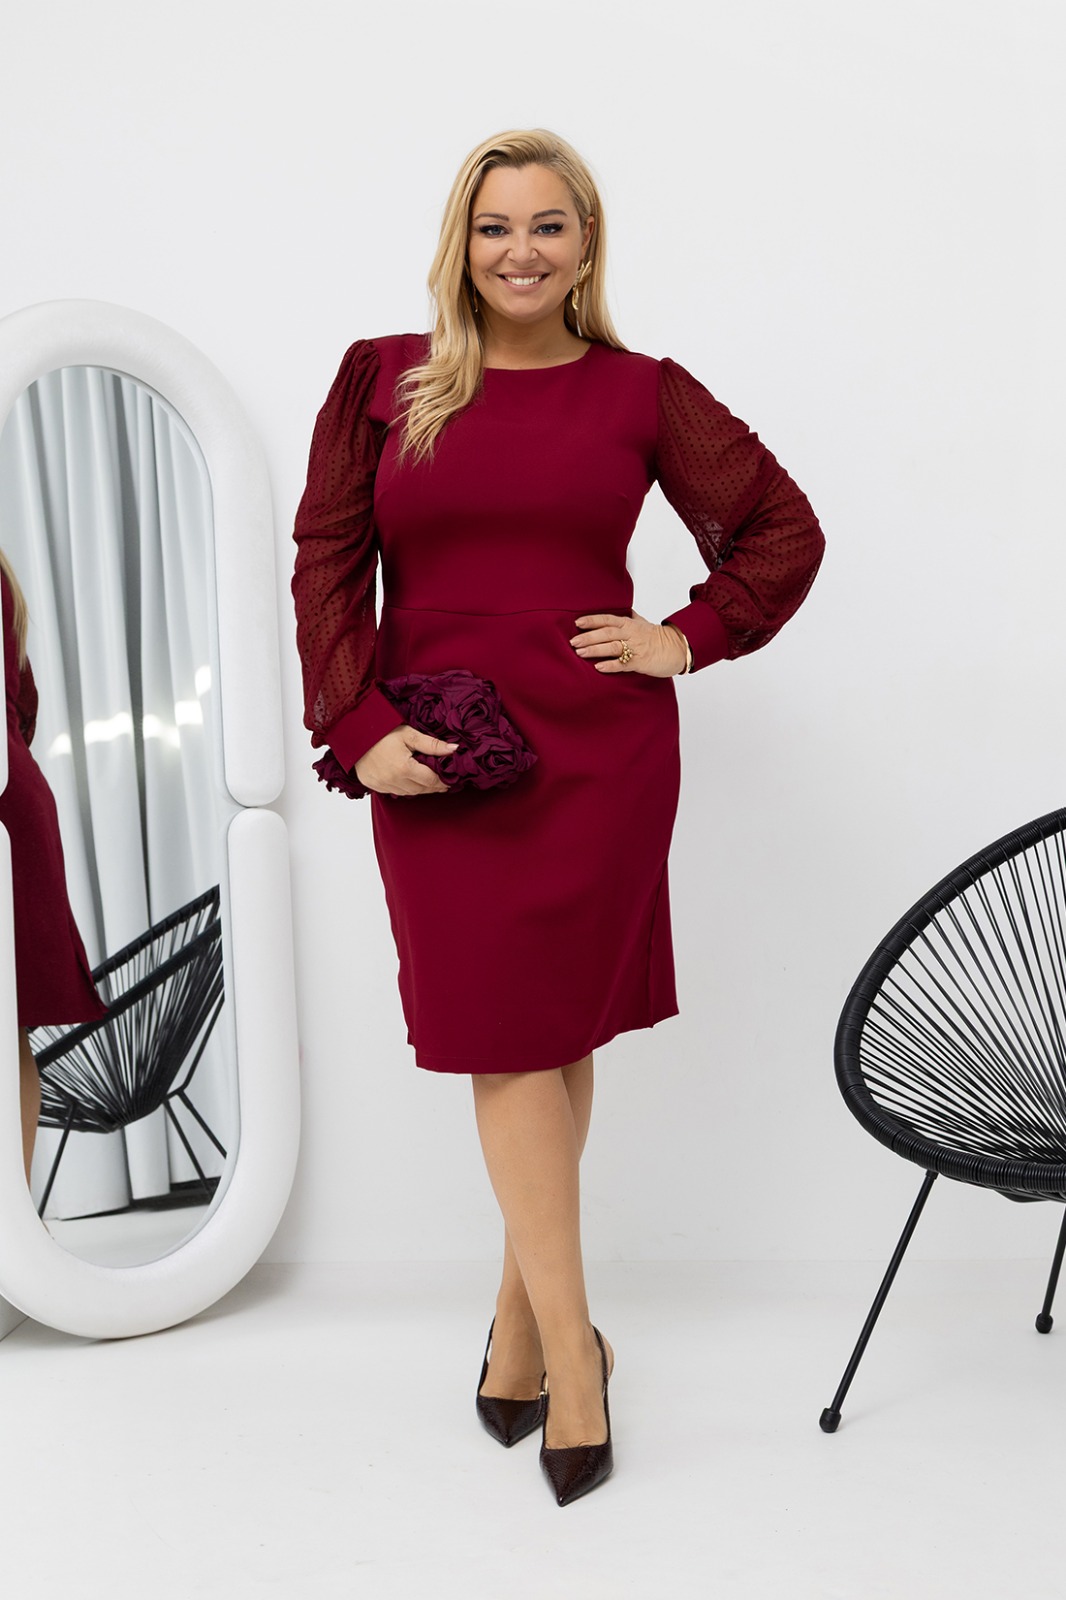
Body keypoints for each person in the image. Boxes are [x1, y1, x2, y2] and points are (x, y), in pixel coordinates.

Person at [292, 129, 824, 1505]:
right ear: (458, 244)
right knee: (506, 1031)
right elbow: (327, 563)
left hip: (597, 753)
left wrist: (687, 637)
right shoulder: (381, 380)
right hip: (440, 748)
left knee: (550, 1031)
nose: (518, 251)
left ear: (586, 243)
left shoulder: (643, 393)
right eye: (493, 226)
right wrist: (357, 727)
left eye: (546, 225)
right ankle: (566, 1346)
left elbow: (781, 527)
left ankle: (538, 1343)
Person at [0, 552, 106, 1188]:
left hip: (10, 806)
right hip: (17, 798)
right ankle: (13, 1224)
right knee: (9, 1032)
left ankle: (10, 1225)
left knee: (8, 1030)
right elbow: (24, 707)